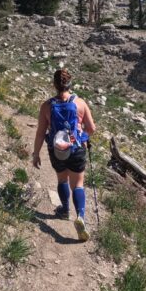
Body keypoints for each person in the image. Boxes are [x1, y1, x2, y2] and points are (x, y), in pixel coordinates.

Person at [32, 68, 97, 242]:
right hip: (76, 149)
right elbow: (92, 129)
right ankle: (81, 216)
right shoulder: (80, 103)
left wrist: (36, 154)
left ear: (54, 85)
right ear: (70, 83)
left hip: (57, 151)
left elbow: (40, 133)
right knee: (78, 184)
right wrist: (82, 136)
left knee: (62, 180)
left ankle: (64, 210)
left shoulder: (47, 106)